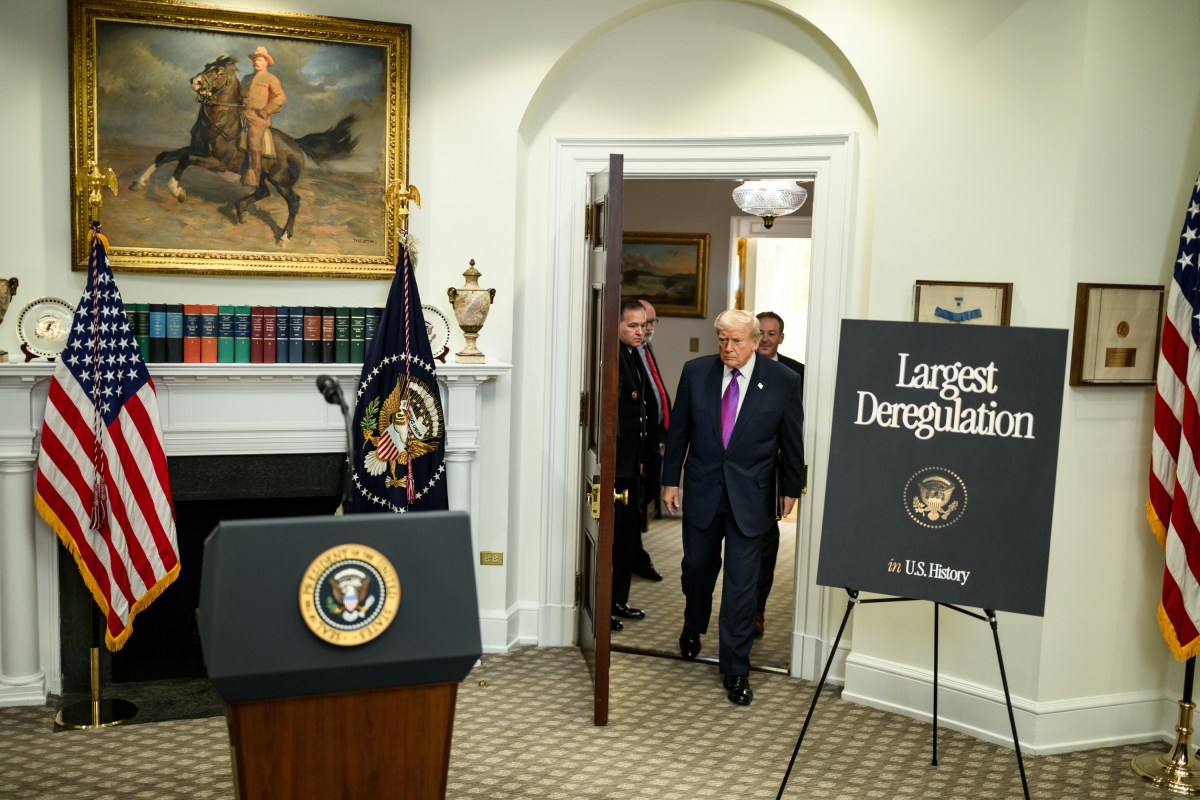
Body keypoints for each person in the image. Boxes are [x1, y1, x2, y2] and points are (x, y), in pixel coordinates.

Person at [662, 309, 804, 705]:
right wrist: (670, 480)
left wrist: (792, 488)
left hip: (751, 495)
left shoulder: (783, 380)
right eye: (722, 339)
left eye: (737, 340)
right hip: (703, 488)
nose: (728, 347)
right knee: (697, 568)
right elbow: (679, 431)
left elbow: (792, 439)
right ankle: (693, 623)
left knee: (742, 586)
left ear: (756, 342)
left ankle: (736, 668)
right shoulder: (695, 372)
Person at [753, 311, 806, 638]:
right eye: (760, 332)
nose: (765, 338)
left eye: (771, 333)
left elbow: (797, 428)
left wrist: (792, 483)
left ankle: (757, 609)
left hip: (773, 473)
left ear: (781, 338)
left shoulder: (796, 373)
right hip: (741, 467)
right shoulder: (739, 367)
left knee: (766, 541)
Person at [612, 299, 651, 631]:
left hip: (630, 464)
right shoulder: (612, 357)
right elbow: (611, 418)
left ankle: (618, 600)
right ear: (617, 325)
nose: (640, 332)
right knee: (615, 539)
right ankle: (607, 605)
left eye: (643, 325)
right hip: (617, 467)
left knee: (626, 538)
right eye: (632, 326)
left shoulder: (633, 355)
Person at [634, 298, 670, 581]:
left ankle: (636, 554)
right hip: (639, 443)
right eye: (644, 322)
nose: (648, 328)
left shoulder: (647, 348)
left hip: (654, 436)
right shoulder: (629, 351)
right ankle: (635, 556)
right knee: (635, 504)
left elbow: (656, 390)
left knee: (646, 496)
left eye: (651, 322)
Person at [240, 46, 286, 186]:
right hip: (242, 113)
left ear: (266, 62)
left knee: (253, 138)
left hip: (258, 118)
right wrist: (242, 100)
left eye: (259, 59)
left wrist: (266, 111)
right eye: (254, 59)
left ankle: (254, 174)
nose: (256, 62)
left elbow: (281, 97)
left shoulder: (271, 78)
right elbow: (240, 94)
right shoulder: (246, 78)